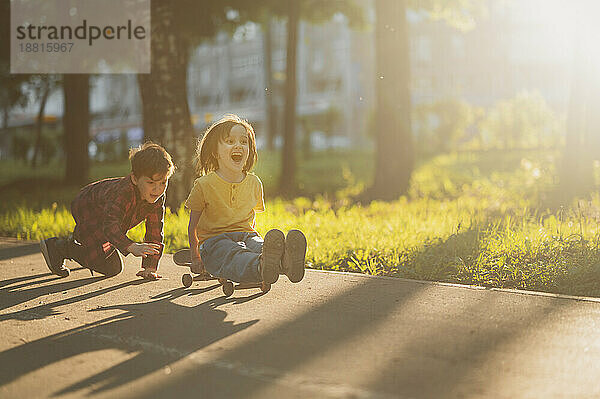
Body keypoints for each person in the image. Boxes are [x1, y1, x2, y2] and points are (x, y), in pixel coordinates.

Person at [185, 114, 306, 285]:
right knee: (232, 253)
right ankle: (260, 266)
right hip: (214, 242)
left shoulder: (254, 183)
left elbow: (251, 220)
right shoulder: (203, 185)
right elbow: (193, 226)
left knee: (258, 245)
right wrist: (195, 257)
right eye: (230, 141)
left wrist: (252, 239)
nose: (238, 146)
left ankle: (285, 262)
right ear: (215, 151)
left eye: (244, 142)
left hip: (246, 235)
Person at [39, 142, 175, 280]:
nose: (158, 189)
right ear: (134, 178)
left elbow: (155, 231)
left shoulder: (157, 197)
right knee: (99, 258)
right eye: (151, 183)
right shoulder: (123, 193)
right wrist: (131, 246)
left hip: (107, 218)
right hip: (88, 206)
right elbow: (110, 226)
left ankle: (81, 243)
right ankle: (60, 247)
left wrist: (150, 268)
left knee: (113, 267)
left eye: (163, 182)